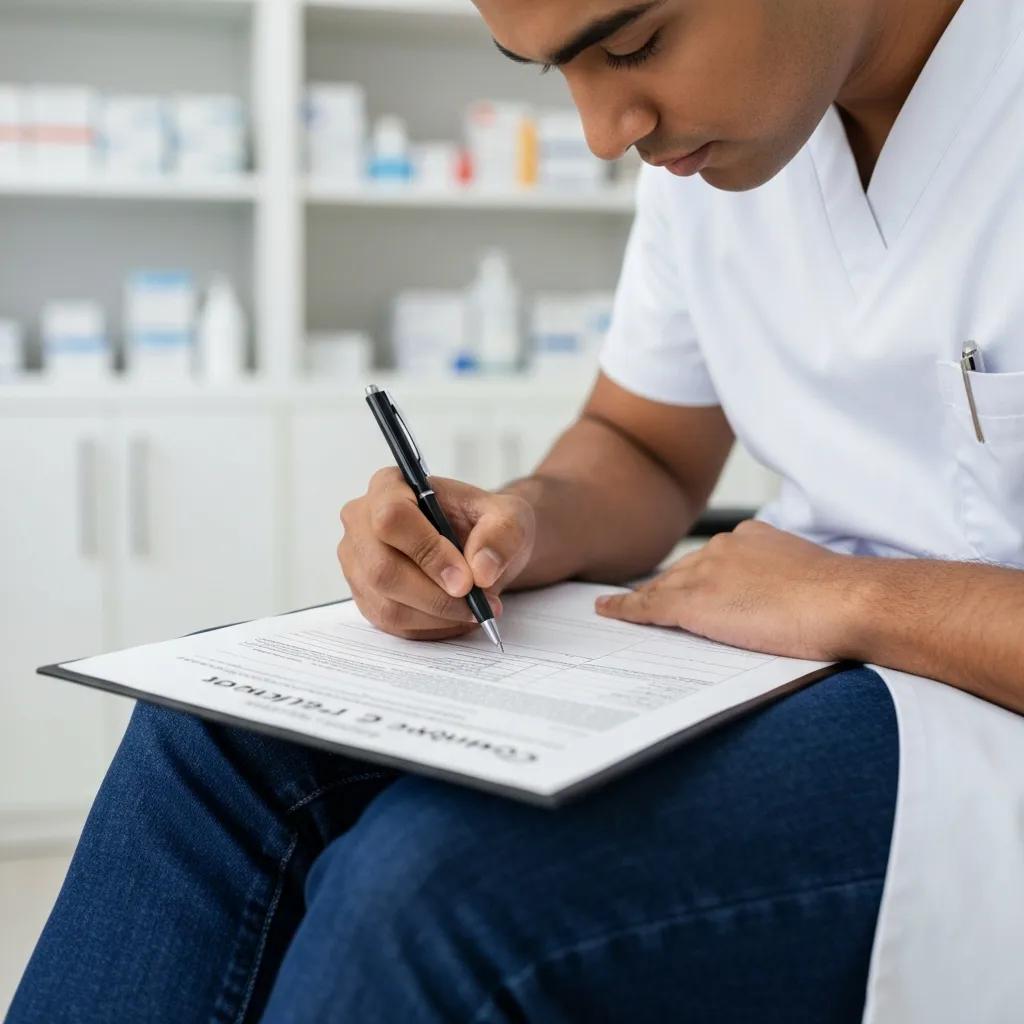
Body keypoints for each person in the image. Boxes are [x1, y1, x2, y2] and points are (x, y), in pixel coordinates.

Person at [10, 0, 1024, 1021]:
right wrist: (521, 518)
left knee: (430, 893)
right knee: (210, 742)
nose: (602, 132)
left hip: (981, 712)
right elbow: (643, 446)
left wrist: (857, 596)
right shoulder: (724, 146)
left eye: (633, 45)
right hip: (802, 641)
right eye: (554, 72)